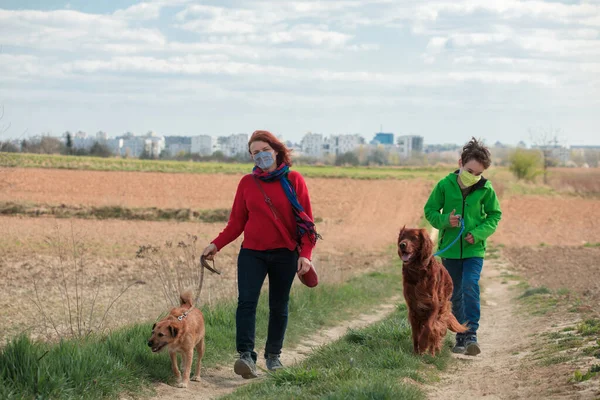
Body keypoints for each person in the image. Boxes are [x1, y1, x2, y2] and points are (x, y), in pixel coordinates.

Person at [202, 130, 319, 378]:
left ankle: (273, 357)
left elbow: (307, 224)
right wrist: (216, 244)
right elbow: (236, 223)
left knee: (279, 305)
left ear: (276, 151)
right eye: (255, 153)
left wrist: (305, 255)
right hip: (252, 253)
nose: (261, 156)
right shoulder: (247, 183)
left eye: (265, 150)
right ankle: (246, 356)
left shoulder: (293, 179)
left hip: (285, 253)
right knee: (246, 303)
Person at [424, 137, 502, 356]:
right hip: (449, 250)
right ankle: (460, 336)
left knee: (470, 285)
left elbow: (495, 215)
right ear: (460, 163)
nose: (474, 177)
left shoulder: (486, 188)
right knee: (454, 294)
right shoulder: (444, 185)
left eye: (478, 173)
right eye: (470, 171)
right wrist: (444, 221)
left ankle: (472, 335)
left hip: (474, 251)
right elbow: (430, 211)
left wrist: (477, 234)